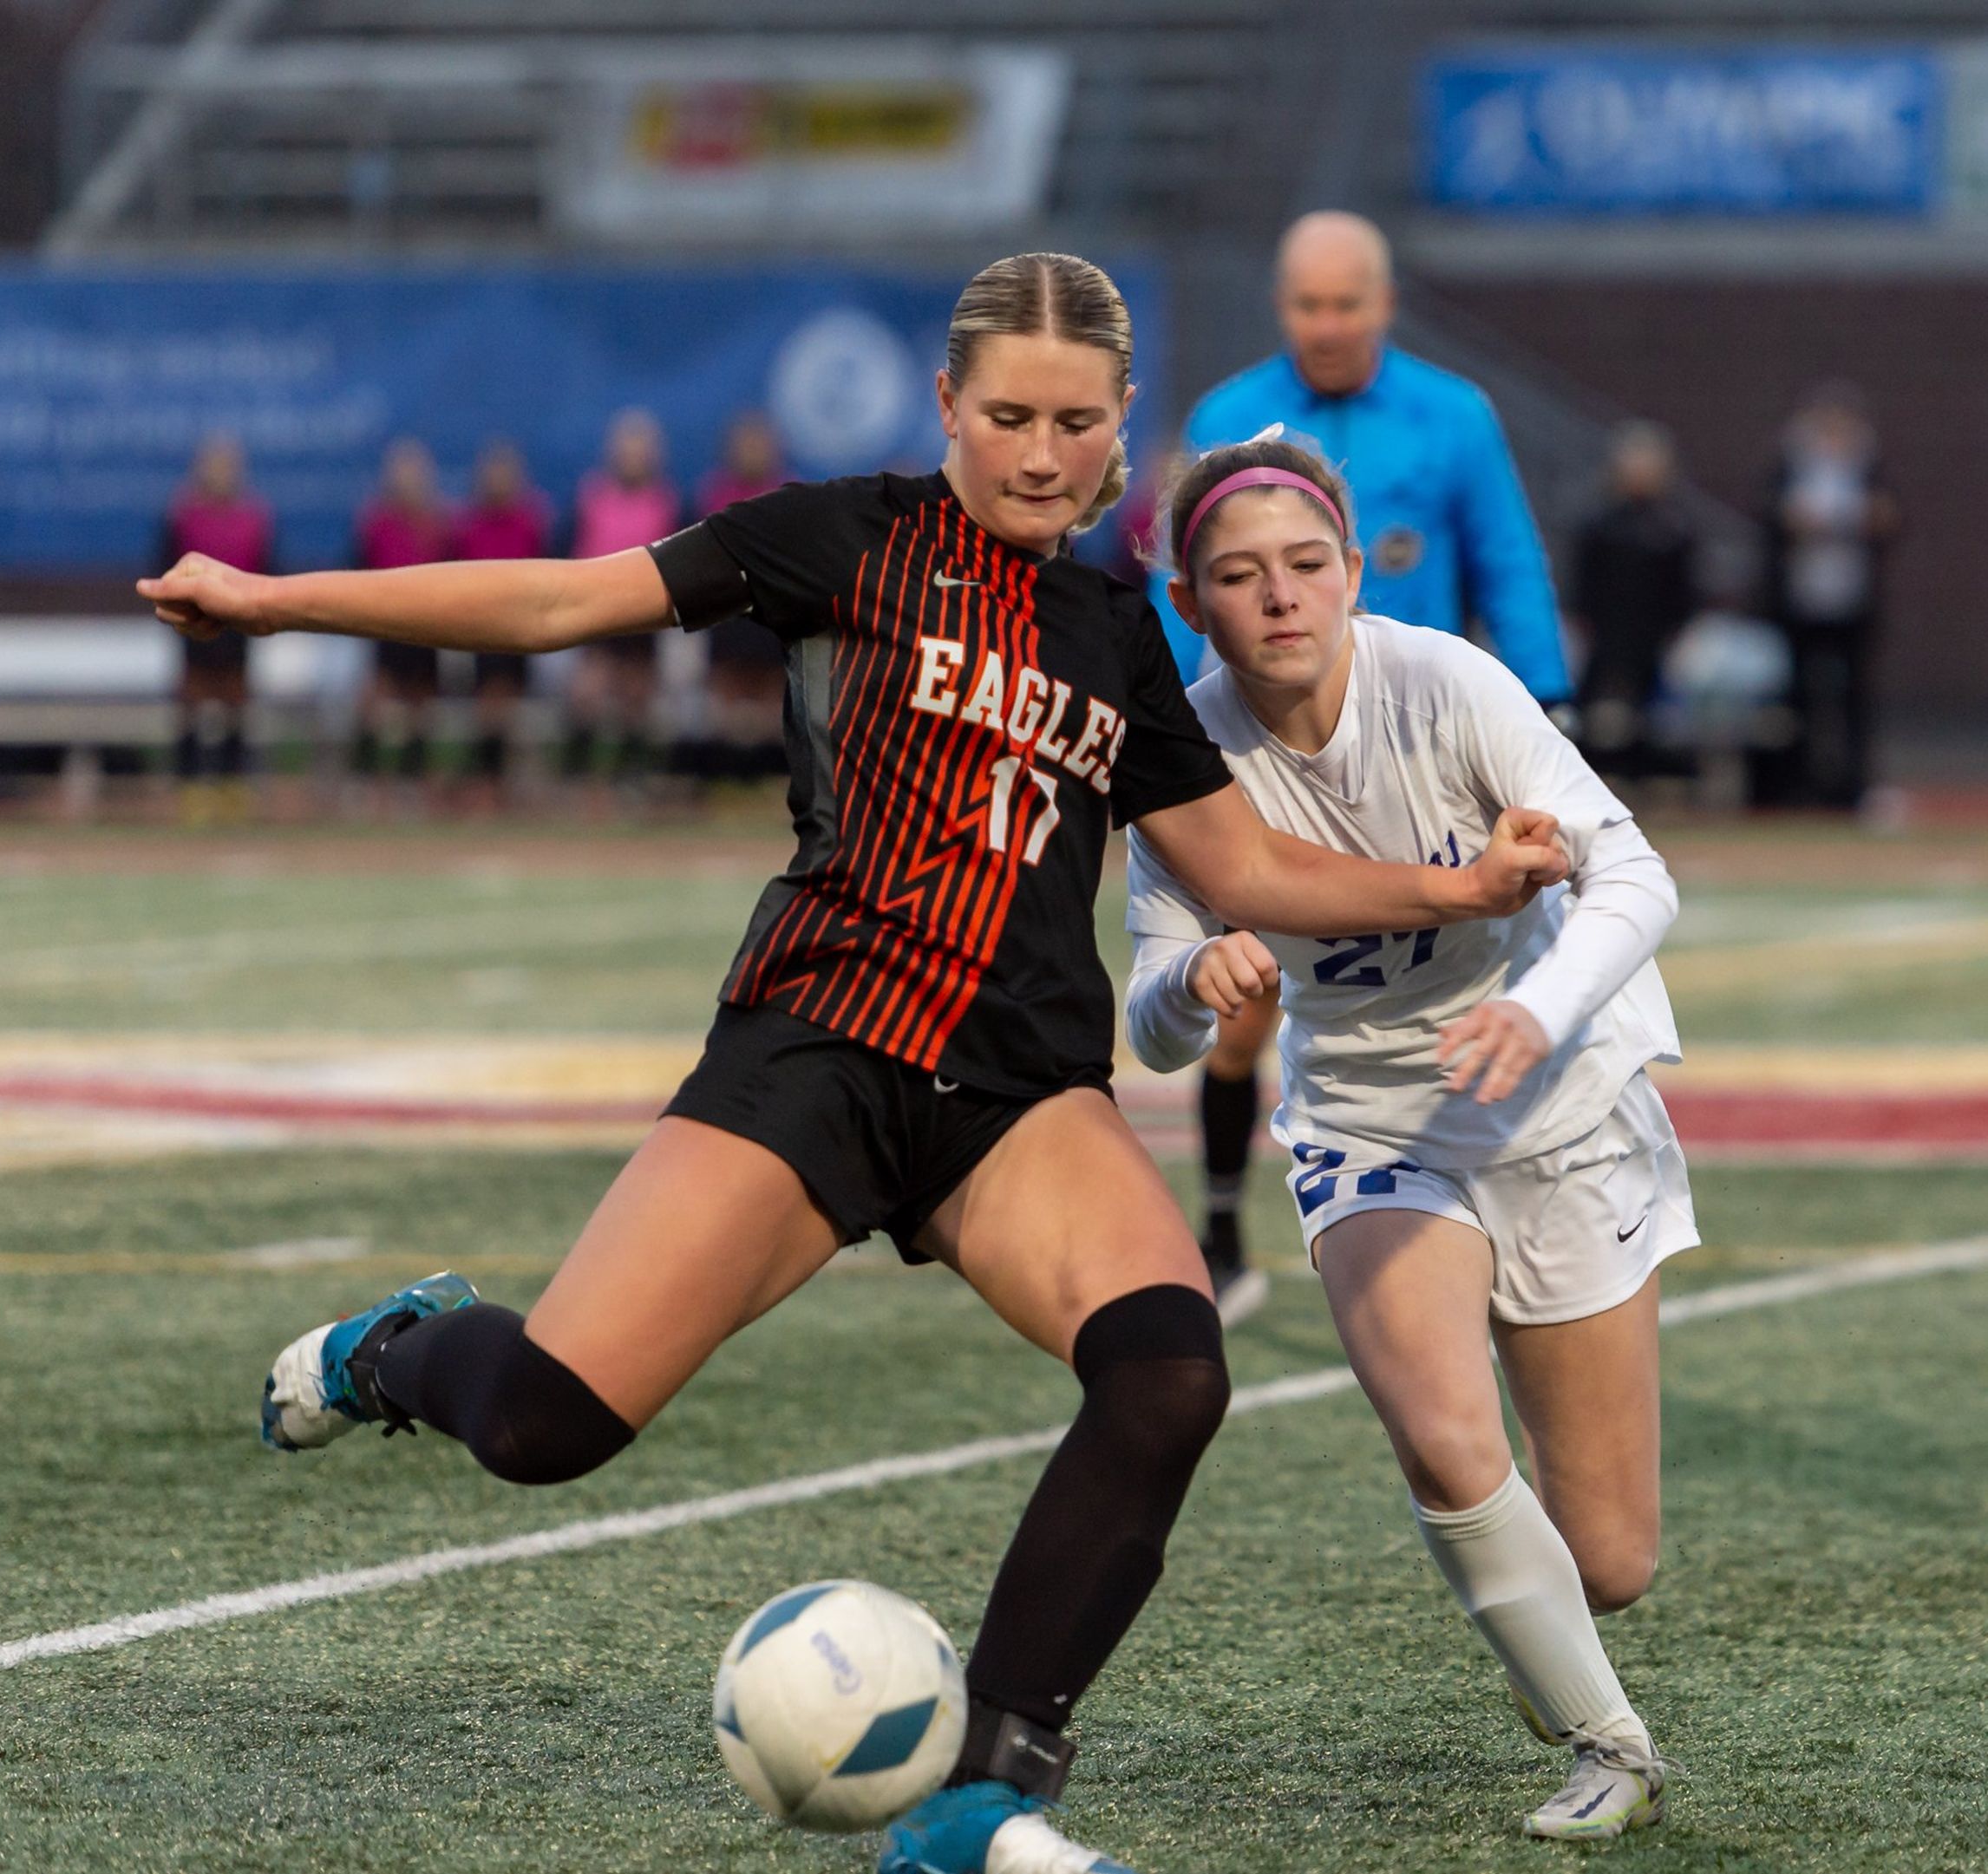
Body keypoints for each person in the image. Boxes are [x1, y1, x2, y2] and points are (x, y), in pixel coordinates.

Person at [141, 252, 1566, 1874]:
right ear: (948, 405)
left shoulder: (1117, 626)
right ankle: (404, 1349)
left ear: (1125, 432)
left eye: (1078, 423)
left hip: (1020, 1093)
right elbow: (554, 601)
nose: (1042, 452)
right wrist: (269, 602)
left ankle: (982, 1793)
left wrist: (1465, 885)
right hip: (818, 1048)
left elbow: (1246, 871)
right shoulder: (845, 535)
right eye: (1010, 414)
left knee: (1170, 1372)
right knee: (547, 1423)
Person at [1125, 432, 1690, 1843]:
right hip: (1373, 1123)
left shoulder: (1447, 682)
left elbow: (1636, 873)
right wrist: (1193, 988)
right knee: (1446, 1440)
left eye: (1307, 566)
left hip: (1556, 1110)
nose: (1280, 599)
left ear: (1354, 568)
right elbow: (1147, 1012)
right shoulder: (1183, 756)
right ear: (1192, 603)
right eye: (1239, 578)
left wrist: (1542, 1009)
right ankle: (1606, 1742)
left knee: (1608, 1560)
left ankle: (1556, 1630)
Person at [1161, 211, 1574, 1324]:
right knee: (1244, 994)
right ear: (1281, 307)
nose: (1328, 324)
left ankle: (1472, 1198)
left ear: (1382, 302)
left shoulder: (1455, 415)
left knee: (1466, 968)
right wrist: (1162, 742)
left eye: (1347, 303)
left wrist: (1545, 699)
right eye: (1308, 304)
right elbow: (1182, 590)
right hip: (1263, 760)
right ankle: (1217, 1221)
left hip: (1426, 759)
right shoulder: (1226, 418)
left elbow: (1504, 555)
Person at [1762, 382, 1900, 813]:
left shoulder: (1868, 469)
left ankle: (1852, 787)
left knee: (1853, 697)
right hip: (1800, 602)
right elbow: (1769, 518)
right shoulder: (1790, 466)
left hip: (1851, 600)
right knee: (1797, 697)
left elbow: (1891, 519)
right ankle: (1799, 786)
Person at [1570, 423, 1698, 784]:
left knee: (1656, 714)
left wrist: (1679, 628)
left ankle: (1654, 778)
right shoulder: (1600, 525)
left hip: (1655, 634)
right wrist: (1585, 620)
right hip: (1608, 631)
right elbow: (1586, 579)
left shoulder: (1673, 527)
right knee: (1593, 707)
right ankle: (1588, 776)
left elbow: (1684, 586)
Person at [159, 435, 272, 826]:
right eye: (214, 465)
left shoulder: (254, 517)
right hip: (194, 627)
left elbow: (267, 571)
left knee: (235, 708)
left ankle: (232, 788)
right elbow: (164, 566)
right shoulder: (182, 515)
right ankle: (191, 789)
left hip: (238, 628)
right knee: (192, 709)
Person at [564, 408, 681, 785]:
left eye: (640, 448)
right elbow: (574, 556)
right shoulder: (592, 497)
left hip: (645, 618)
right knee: (586, 698)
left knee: (637, 704)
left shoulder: (667, 502)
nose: (632, 456)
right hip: (596, 616)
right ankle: (580, 782)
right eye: (625, 447)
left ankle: (633, 781)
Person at [688, 412, 790, 787]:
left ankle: (775, 781)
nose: (752, 452)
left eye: (759, 444)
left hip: (772, 618)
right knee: (724, 708)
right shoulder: (712, 494)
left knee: (775, 706)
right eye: (745, 445)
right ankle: (723, 782)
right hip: (726, 615)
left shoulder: (786, 495)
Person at [351, 438, 455, 798]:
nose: (408, 480)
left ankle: (414, 782)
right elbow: (359, 572)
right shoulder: (376, 522)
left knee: (420, 710)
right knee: (374, 706)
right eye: (401, 472)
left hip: (426, 629)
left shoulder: (439, 523)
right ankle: (365, 783)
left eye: (415, 473)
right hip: (384, 628)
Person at [454, 441, 554, 803]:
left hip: (523, 630)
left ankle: (505, 780)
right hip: (479, 633)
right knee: (490, 699)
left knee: (506, 699)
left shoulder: (531, 520)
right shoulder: (467, 525)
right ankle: (488, 780)